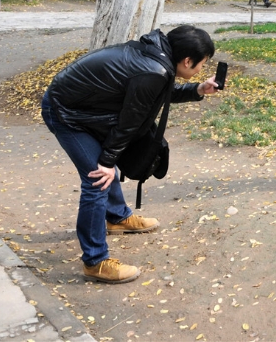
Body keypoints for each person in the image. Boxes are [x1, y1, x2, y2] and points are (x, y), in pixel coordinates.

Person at [42, 25, 219, 284]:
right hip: (66, 113)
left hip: (88, 110)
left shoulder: (157, 56)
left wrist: (197, 90)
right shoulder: (153, 69)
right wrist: (106, 162)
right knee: (97, 179)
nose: (201, 70)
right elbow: (129, 122)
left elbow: (155, 97)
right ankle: (95, 262)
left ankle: (116, 218)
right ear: (187, 60)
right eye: (201, 65)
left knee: (105, 169)